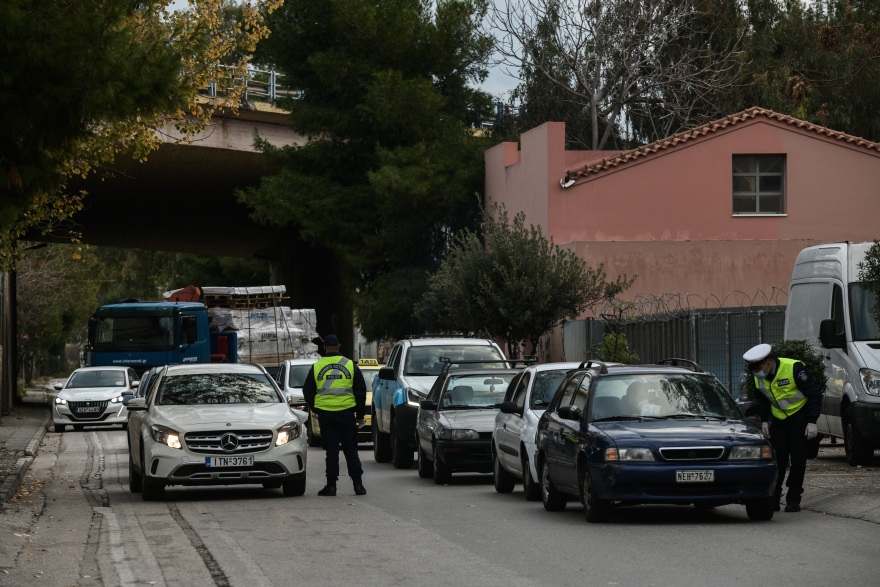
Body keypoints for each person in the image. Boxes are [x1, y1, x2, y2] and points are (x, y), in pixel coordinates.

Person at [743, 343, 822, 512]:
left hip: (799, 418)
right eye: (753, 370)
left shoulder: (793, 368)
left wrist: (812, 421)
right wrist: (764, 420)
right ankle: (774, 498)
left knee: (798, 459)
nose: (756, 373)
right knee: (777, 461)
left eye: (758, 369)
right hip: (779, 421)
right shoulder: (758, 376)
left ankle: (793, 499)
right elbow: (763, 400)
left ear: (768, 364)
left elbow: (814, 394)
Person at [302, 334, 367, 496]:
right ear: (339, 346)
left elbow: (307, 391)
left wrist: (317, 409)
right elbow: (360, 393)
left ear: (324, 348)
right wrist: (359, 415)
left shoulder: (317, 366)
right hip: (346, 414)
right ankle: (358, 486)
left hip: (327, 415)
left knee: (331, 450)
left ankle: (331, 486)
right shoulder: (350, 365)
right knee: (351, 449)